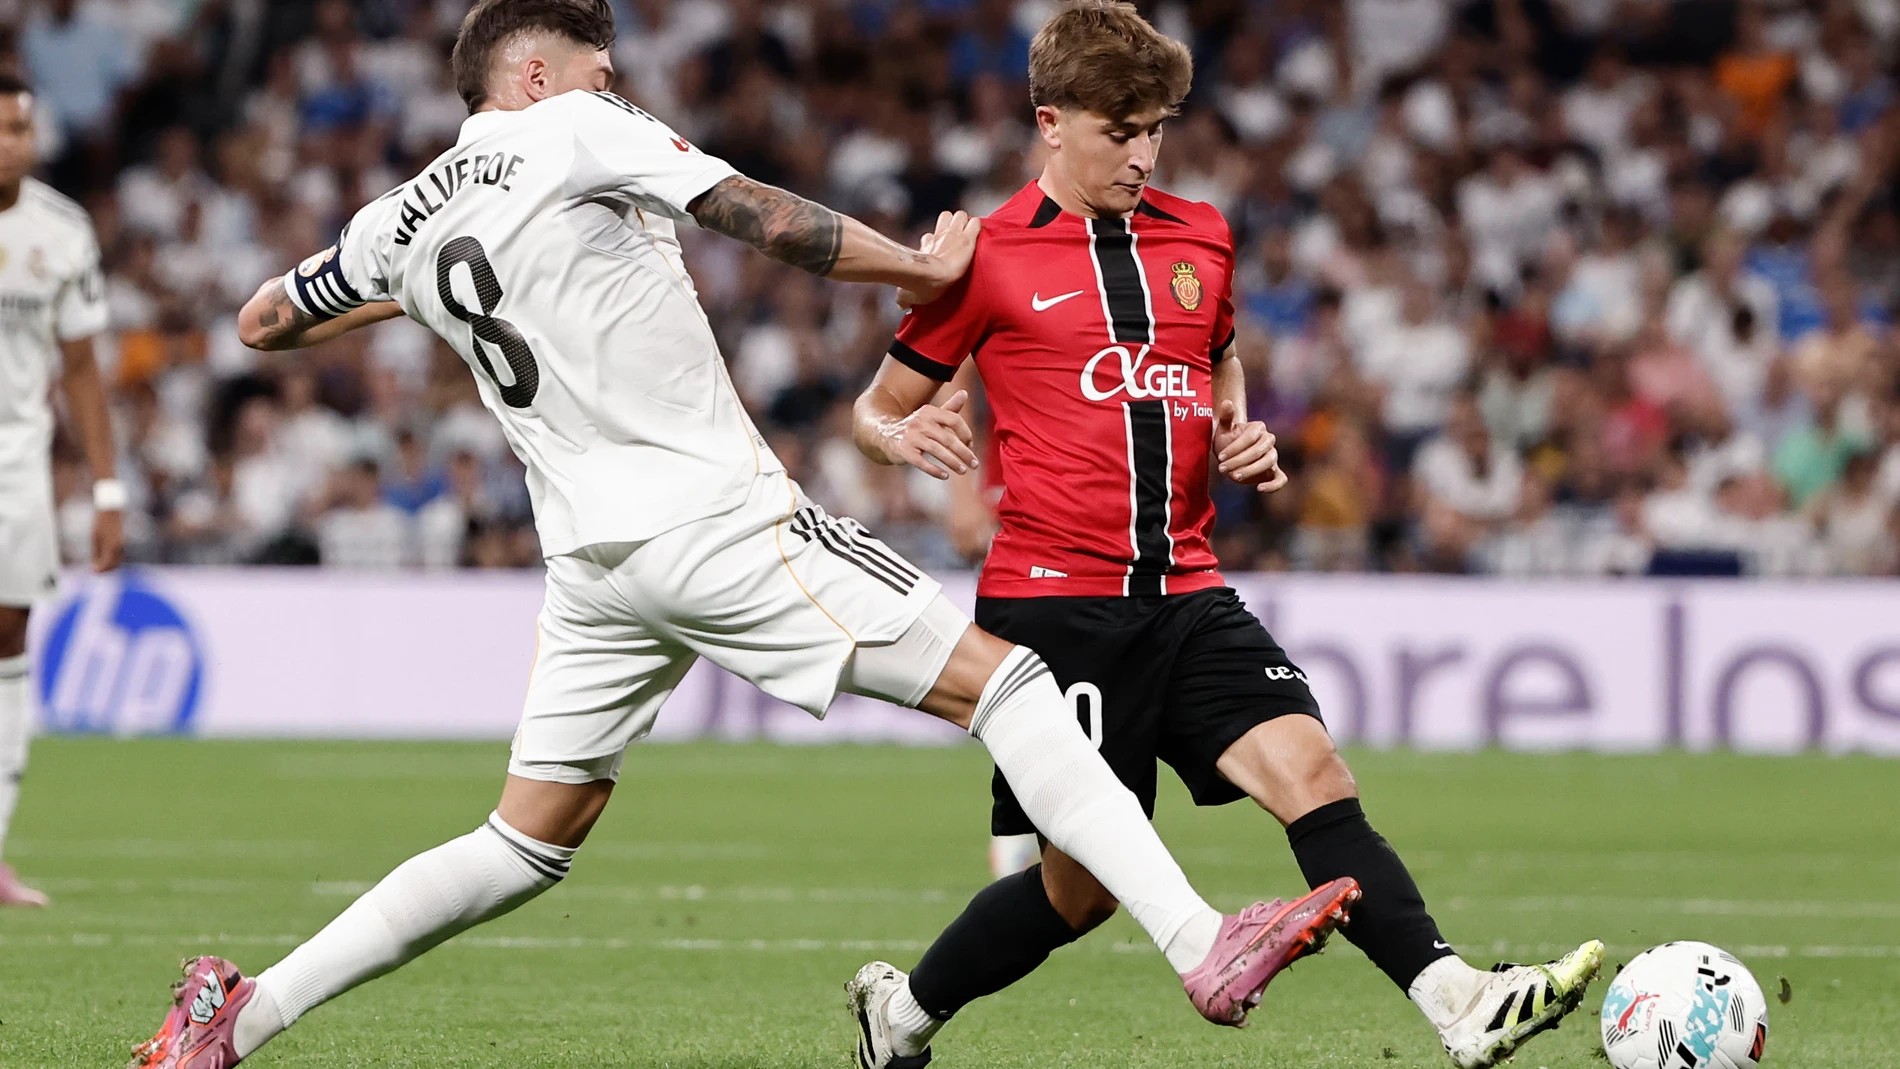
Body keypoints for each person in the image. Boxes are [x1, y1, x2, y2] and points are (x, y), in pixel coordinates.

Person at [128, 3, 1356, 1066]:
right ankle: (1200, 941)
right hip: (712, 519)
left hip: (592, 562)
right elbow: (760, 216)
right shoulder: (574, 128)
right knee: (1013, 683)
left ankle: (234, 1022)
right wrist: (920, 270)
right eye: (599, 65)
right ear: (534, 72)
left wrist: (422, 287)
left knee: (522, 841)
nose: (619, 83)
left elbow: (261, 318)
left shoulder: (401, 212)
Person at [844, 4, 1603, 1068]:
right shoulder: (987, 256)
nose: (1143, 154)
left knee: (1313, 770)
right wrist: (899, 432)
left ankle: (1458, 1000)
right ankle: (905, 1014)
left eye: (1157, 128)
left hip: (1189, 589)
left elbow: (1220, 354)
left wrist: (1236, 424)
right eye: (1121, 131)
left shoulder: (1199, 231)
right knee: (1080, 892)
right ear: (1050, 121)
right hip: (1056, 607)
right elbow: (871, 408)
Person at [0, 73, 123, 909]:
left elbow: (81, 370)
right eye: (5, 128)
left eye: (23, 128)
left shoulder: (61, 229)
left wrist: (108, 490)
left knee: (9, 636)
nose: (18, 142)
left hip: (15, 462)